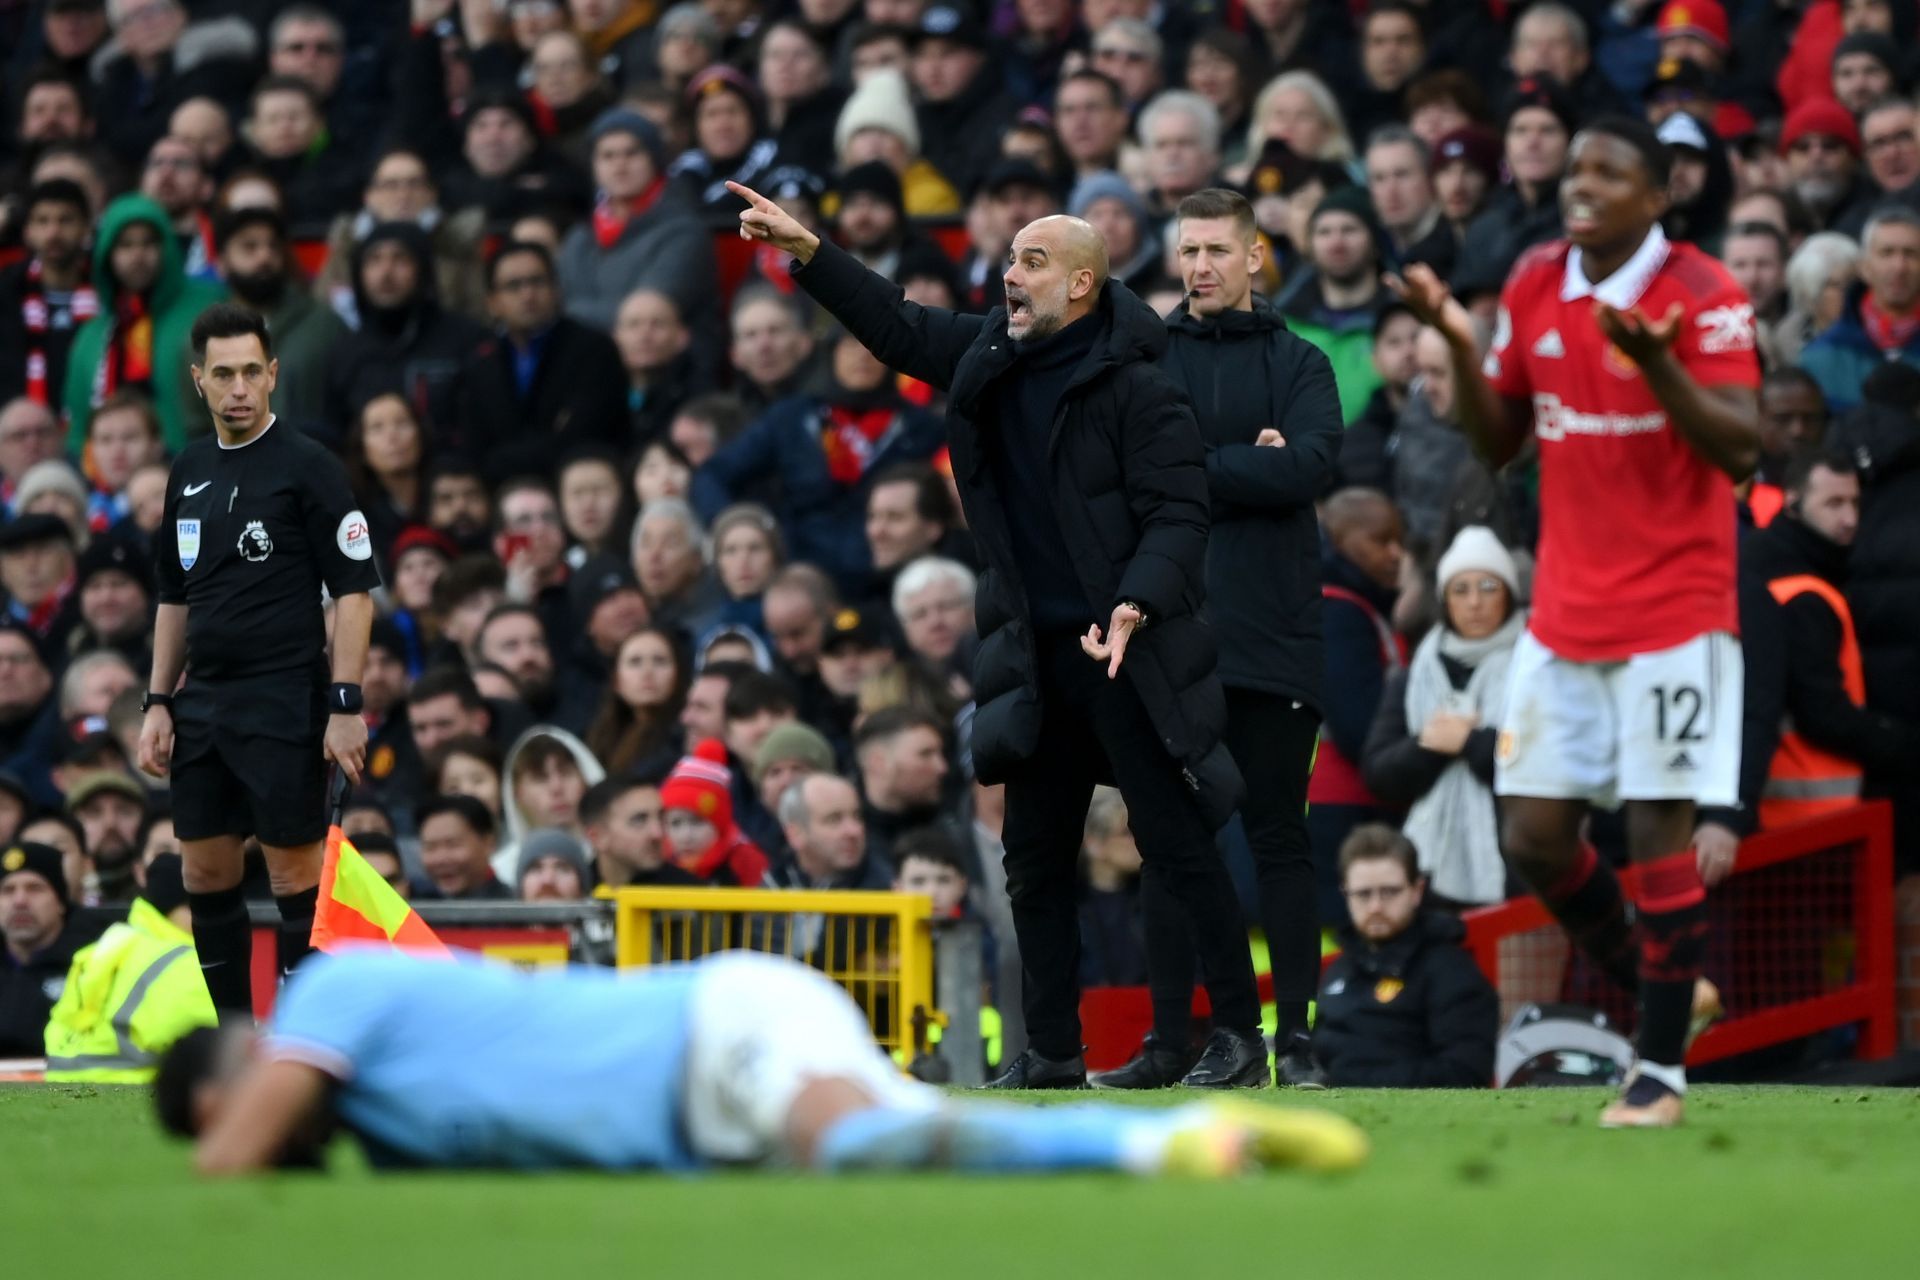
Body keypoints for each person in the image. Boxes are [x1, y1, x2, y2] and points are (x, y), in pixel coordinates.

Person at [731, 179, 1266, 1091]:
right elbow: (896, 325)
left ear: (1083, 285)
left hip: (1128, 649)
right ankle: (1054, 1051)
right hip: (1032, 654)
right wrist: (810, 252)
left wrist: (1136, 602)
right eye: (1008, 259)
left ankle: (1240, 1043)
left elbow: (1181, 517)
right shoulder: (990, 352)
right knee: (1034, 860)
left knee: (1176, 844)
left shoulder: (1143, 390)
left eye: (1031, 262)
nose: (1008, 277)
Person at [1389, 115, 1759, 1128]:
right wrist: (1463, 349)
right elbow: (1501, 438)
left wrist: (1660, 366)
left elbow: (1744, 447)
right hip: (1566, 610)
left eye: (1609, 171)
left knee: (1654, 823)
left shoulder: (1701, 293)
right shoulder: (1536, 280)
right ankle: (1663, 986)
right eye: (1575, 169)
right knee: (1539, 835)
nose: (1580, 185)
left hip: (1677, 608)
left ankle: (1660, 1074)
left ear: (1659, 194)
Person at [155, 944, 1367, 1176]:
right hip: (708, 1104)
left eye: (238, 1094)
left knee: (862, 1143)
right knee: (892, 1140)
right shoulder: (392, 1133)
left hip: (717, 1020)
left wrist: (231, 1136)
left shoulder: (334, 987)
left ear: (253, 1055)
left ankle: (1175, 1144)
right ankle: (1199, 1140)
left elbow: (229, 1159)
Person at [1097, 189, 1340, 1090]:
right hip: (1173, 637)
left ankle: (1298, 1043)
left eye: (1214, 249)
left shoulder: (1301, 360)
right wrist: (1251, 463)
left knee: (1280, 837)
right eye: (1186, 250)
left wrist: (1196, 467)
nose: (1199, 265)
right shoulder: (1145, 355)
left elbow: (1313, 465)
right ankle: (1170, 1044)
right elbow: (1129, 478)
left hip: (1276, 635)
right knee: (1169, 842)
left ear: (1254, 257)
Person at [137, 304, 381, 1025]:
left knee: (292, 874)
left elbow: (356, 591)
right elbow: (173, 597)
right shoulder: (188, 469)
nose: (239, 387)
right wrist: (158, 700)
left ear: (273, 374)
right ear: (199, 382)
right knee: (205, 870)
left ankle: (306, 1044)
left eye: (251, 371)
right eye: (223, 374)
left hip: (285, 698)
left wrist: (344, 705)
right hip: (204, 703)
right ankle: (237, 1040)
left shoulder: (308, 467)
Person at [1740, 451, 1918, 831]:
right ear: (1792, 503)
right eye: (1834, 504)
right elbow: (1821, 712)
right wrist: (1901, 743)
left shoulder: (1769, 559)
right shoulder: (1802, 592)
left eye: (1854, 502)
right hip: (1803, 815)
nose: (1850, 519)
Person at [1362, 528, 1527, 908]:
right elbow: (1379, 773)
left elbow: (1549, 761)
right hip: (1430, 876)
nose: (1474, 603)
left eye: (1488, 587)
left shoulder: (1537, 669)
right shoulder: (1414, 675)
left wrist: (1470, 743)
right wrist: (1431, 745)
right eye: (1460, 589)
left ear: (1509, 594)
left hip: (1521, 868)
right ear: (1444, 600)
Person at [1307, 825, 1499, 1088]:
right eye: (1363, 894)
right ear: (1345, 895)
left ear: (1417, 890)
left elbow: (1466, 1071)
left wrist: (1347, 1081)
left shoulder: (1451, 971)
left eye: (1389, 892)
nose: (1375, 906)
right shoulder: (1338, 970)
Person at [62, 194, 227, 454]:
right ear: (107, 255)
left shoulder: (208, 307)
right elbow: (79, 430)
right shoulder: (92, 335)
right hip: (112, 481)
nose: (138, 255)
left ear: (168, 247)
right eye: (125, 245)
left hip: (199, 470)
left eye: (149, 243)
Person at [458, 242, 628, 482]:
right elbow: (476, 448)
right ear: (492, 303)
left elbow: (582, 437)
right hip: (502, 494)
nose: (527, 294)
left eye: (537, 281)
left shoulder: (593, 349)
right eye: (513, 286)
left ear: (556, 289)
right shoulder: (480, 362)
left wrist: (502, 460)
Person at [43, 851, 216, 1081]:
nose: (213, 920)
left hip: (60, 1084)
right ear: (173, 908)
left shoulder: (105, 945)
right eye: (201, 908)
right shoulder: (187, 962)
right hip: (133, 1090)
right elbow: (215, 1047)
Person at [1799, 205, 1920, 414]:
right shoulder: (1820, 358)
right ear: (1864, 267)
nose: (1899, 266)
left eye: (1911, 254)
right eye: (1886, 253)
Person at [0, 180, 97, 411]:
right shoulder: (6, 293)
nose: (53, 232)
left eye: (65, 220)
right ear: (28, 231)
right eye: (42, 221)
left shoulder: (111, 291)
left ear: (86, 228)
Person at [0, 842, 84, 1056]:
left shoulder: (89, 965)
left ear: (61, 903)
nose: (20, 901)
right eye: (8, 890)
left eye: (34, 888)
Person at [413, 795, 514, 901]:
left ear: (488, 843)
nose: (441, 859)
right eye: (430, 847)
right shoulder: (415, 907)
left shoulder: (515, 908)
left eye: (452, 845)